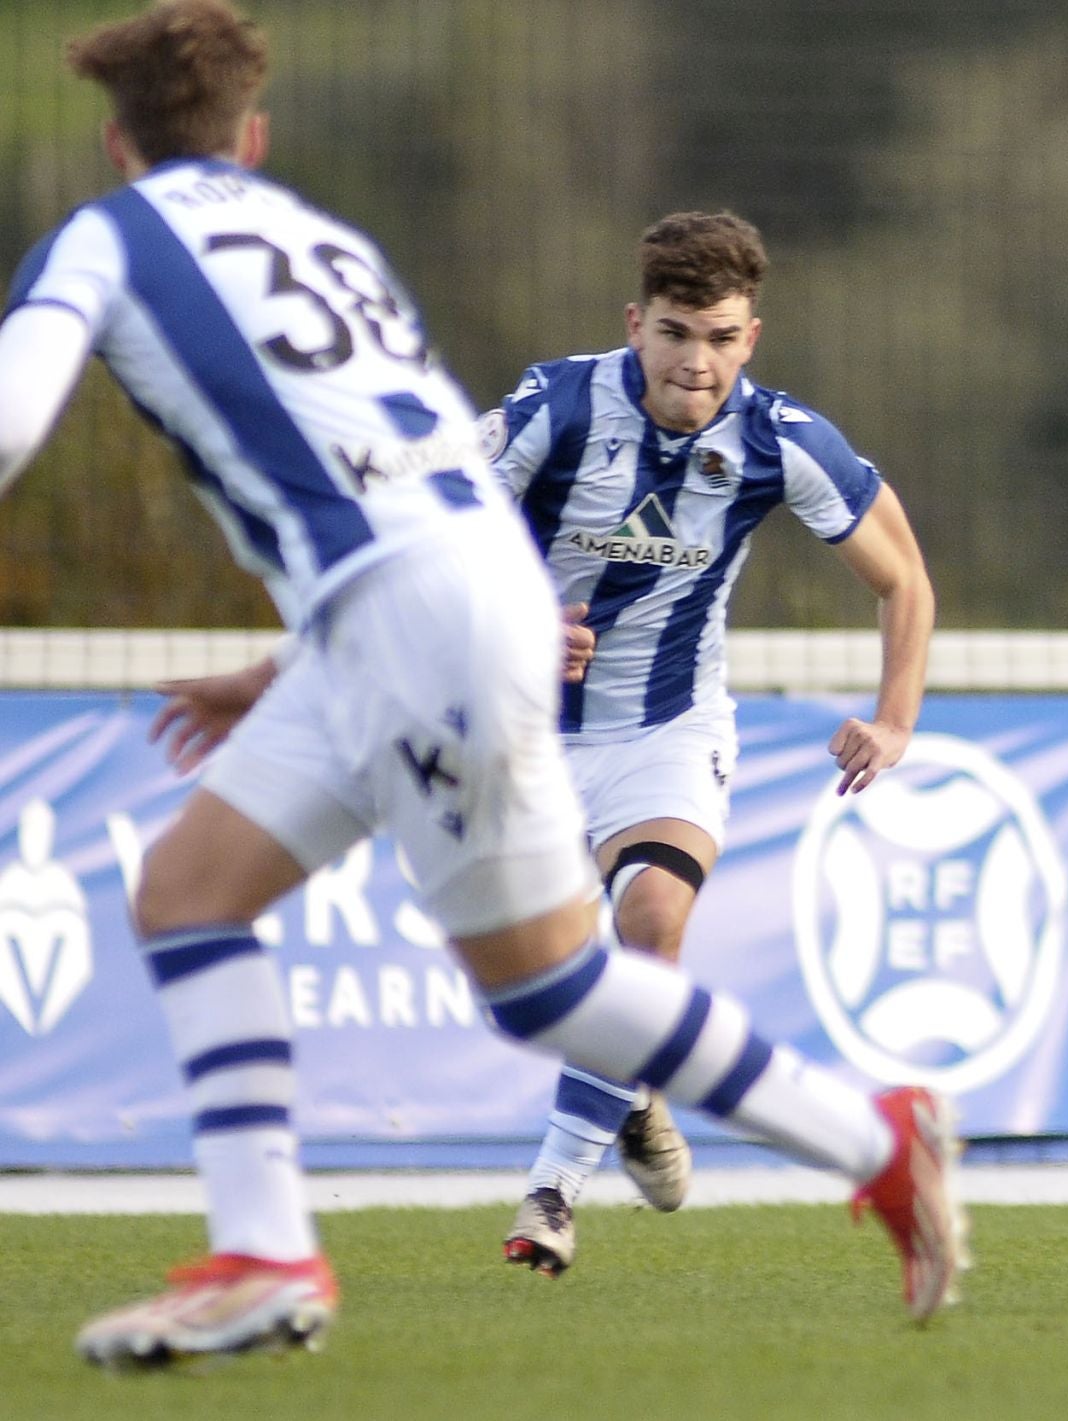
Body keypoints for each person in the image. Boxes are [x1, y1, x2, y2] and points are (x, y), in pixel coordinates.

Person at [0, 0, 963, 1368]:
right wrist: (289, 665)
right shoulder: (328, 247)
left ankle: (873, 1142)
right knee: (199, 898)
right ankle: (266, 1252)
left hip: (423, 627)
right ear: (255, 142)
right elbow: (419, 486)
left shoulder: (104, 237)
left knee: (547, 981)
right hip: (430, 611)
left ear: (114, 144)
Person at [481, 210, 935, 1276]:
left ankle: (551, 1189)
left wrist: (897, 717)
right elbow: (420, 527)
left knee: (650, 917)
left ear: (752, 337)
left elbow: (903, 574)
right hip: (518, 735)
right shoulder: (552, 407)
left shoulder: (780, 440)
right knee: (554, 979)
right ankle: (632, 1085)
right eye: (678, 332)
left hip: (668, 729)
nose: (698, 362)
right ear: (636, 323)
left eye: (722, 337)